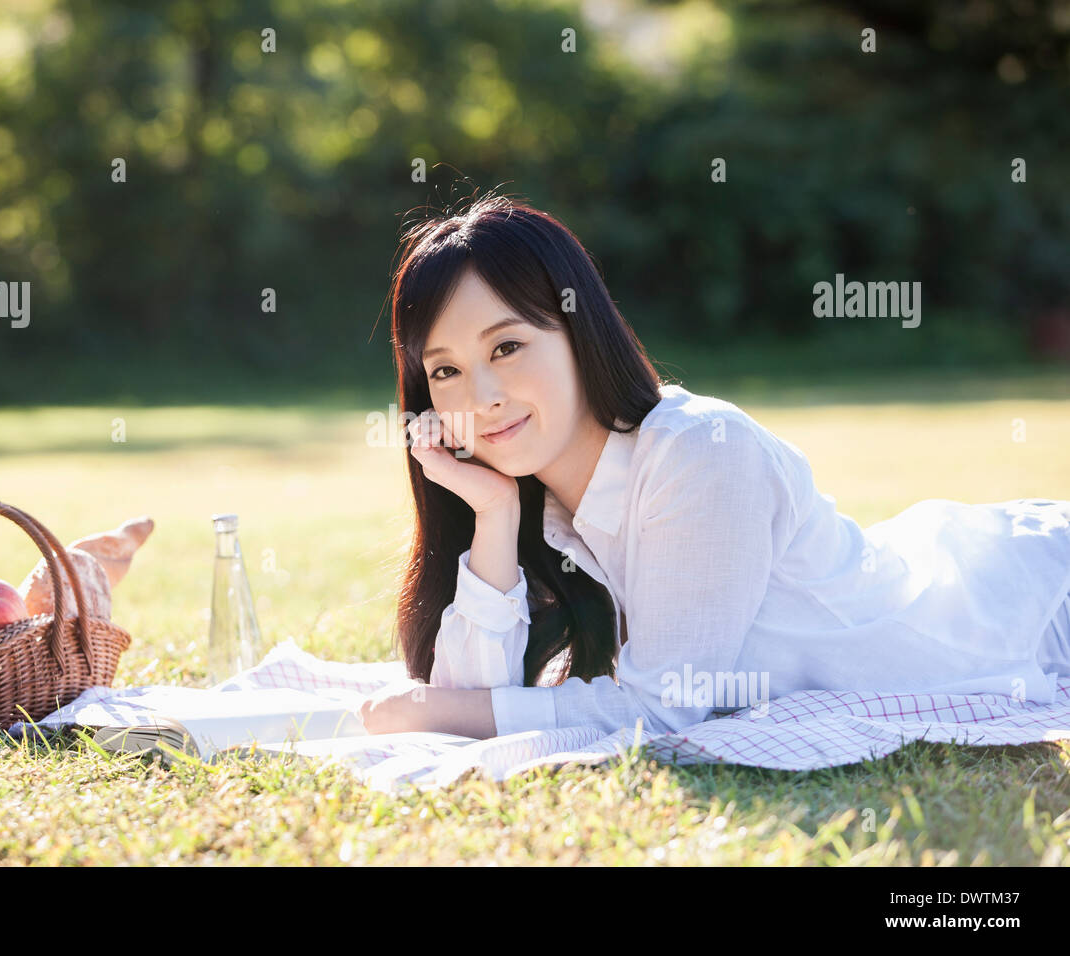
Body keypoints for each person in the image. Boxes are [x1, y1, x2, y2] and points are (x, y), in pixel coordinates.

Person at [355, 191, 1070, 741]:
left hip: (1023, 610)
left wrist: (431, 708)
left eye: (506, 347)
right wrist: (493, 515)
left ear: (579, 331)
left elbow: (661, 712)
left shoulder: (697, 451)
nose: (478, 399)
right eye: (445, 371)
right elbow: (460, 696)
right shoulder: (546, 507)